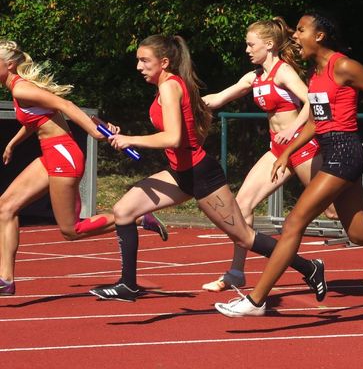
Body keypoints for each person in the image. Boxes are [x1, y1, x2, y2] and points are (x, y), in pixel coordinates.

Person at [215, 12, 363, 317]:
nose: (295, 36)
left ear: (319, 36)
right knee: (361, 233)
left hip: (345, 154)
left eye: (301, 31)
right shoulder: (316, 76)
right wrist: (287, 152)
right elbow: (317, 123)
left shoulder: (342, 65)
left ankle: (256, 301)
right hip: (332, 152)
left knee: (294, 223)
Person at [89, 34, 327, 302]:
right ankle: (128, 285)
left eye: (145, 61)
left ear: (164, 62)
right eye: (138, 60)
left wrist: (130, 139)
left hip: (201, 175)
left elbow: (173, 138)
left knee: (244, 237)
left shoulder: (170, 87)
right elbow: (193, 129)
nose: (139, 67)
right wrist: (120, 133)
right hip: (180, 173)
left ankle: (309, 267)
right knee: (123, 211)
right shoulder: (166, 86)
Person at [202, 17, 363, 292]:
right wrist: (186, 100)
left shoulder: (284, 72)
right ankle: (236, 272)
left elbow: (313, 101)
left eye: (251, 45)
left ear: (269, 45)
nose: (247, 50)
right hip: (278, 148)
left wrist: (294, 130)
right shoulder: (254, 77)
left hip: (303, 146)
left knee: (334, 211)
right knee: (242, 204)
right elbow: (216, 98)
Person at [0, 40, 167, 296]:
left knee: (70, 230)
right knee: (5, 207)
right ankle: (6, 280)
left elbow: (64, 106)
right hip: (51, 153)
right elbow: (35, 119)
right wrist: (13, 143)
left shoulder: (22, 89)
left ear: (9, 65)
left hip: (62, 155)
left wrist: (93, 132)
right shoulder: (18, 90)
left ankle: (136, 218)